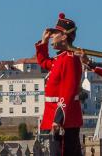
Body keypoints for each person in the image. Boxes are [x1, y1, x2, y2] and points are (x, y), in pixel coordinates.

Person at [36, 12, 84, 156]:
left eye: (55, 33)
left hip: (65, 120)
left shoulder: (70, 59)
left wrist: (58, 119)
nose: (51, 36)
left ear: (64, 36)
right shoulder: (61, 59)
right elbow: (44, 62)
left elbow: (68, 92)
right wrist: (43, 43)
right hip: (58, 118)